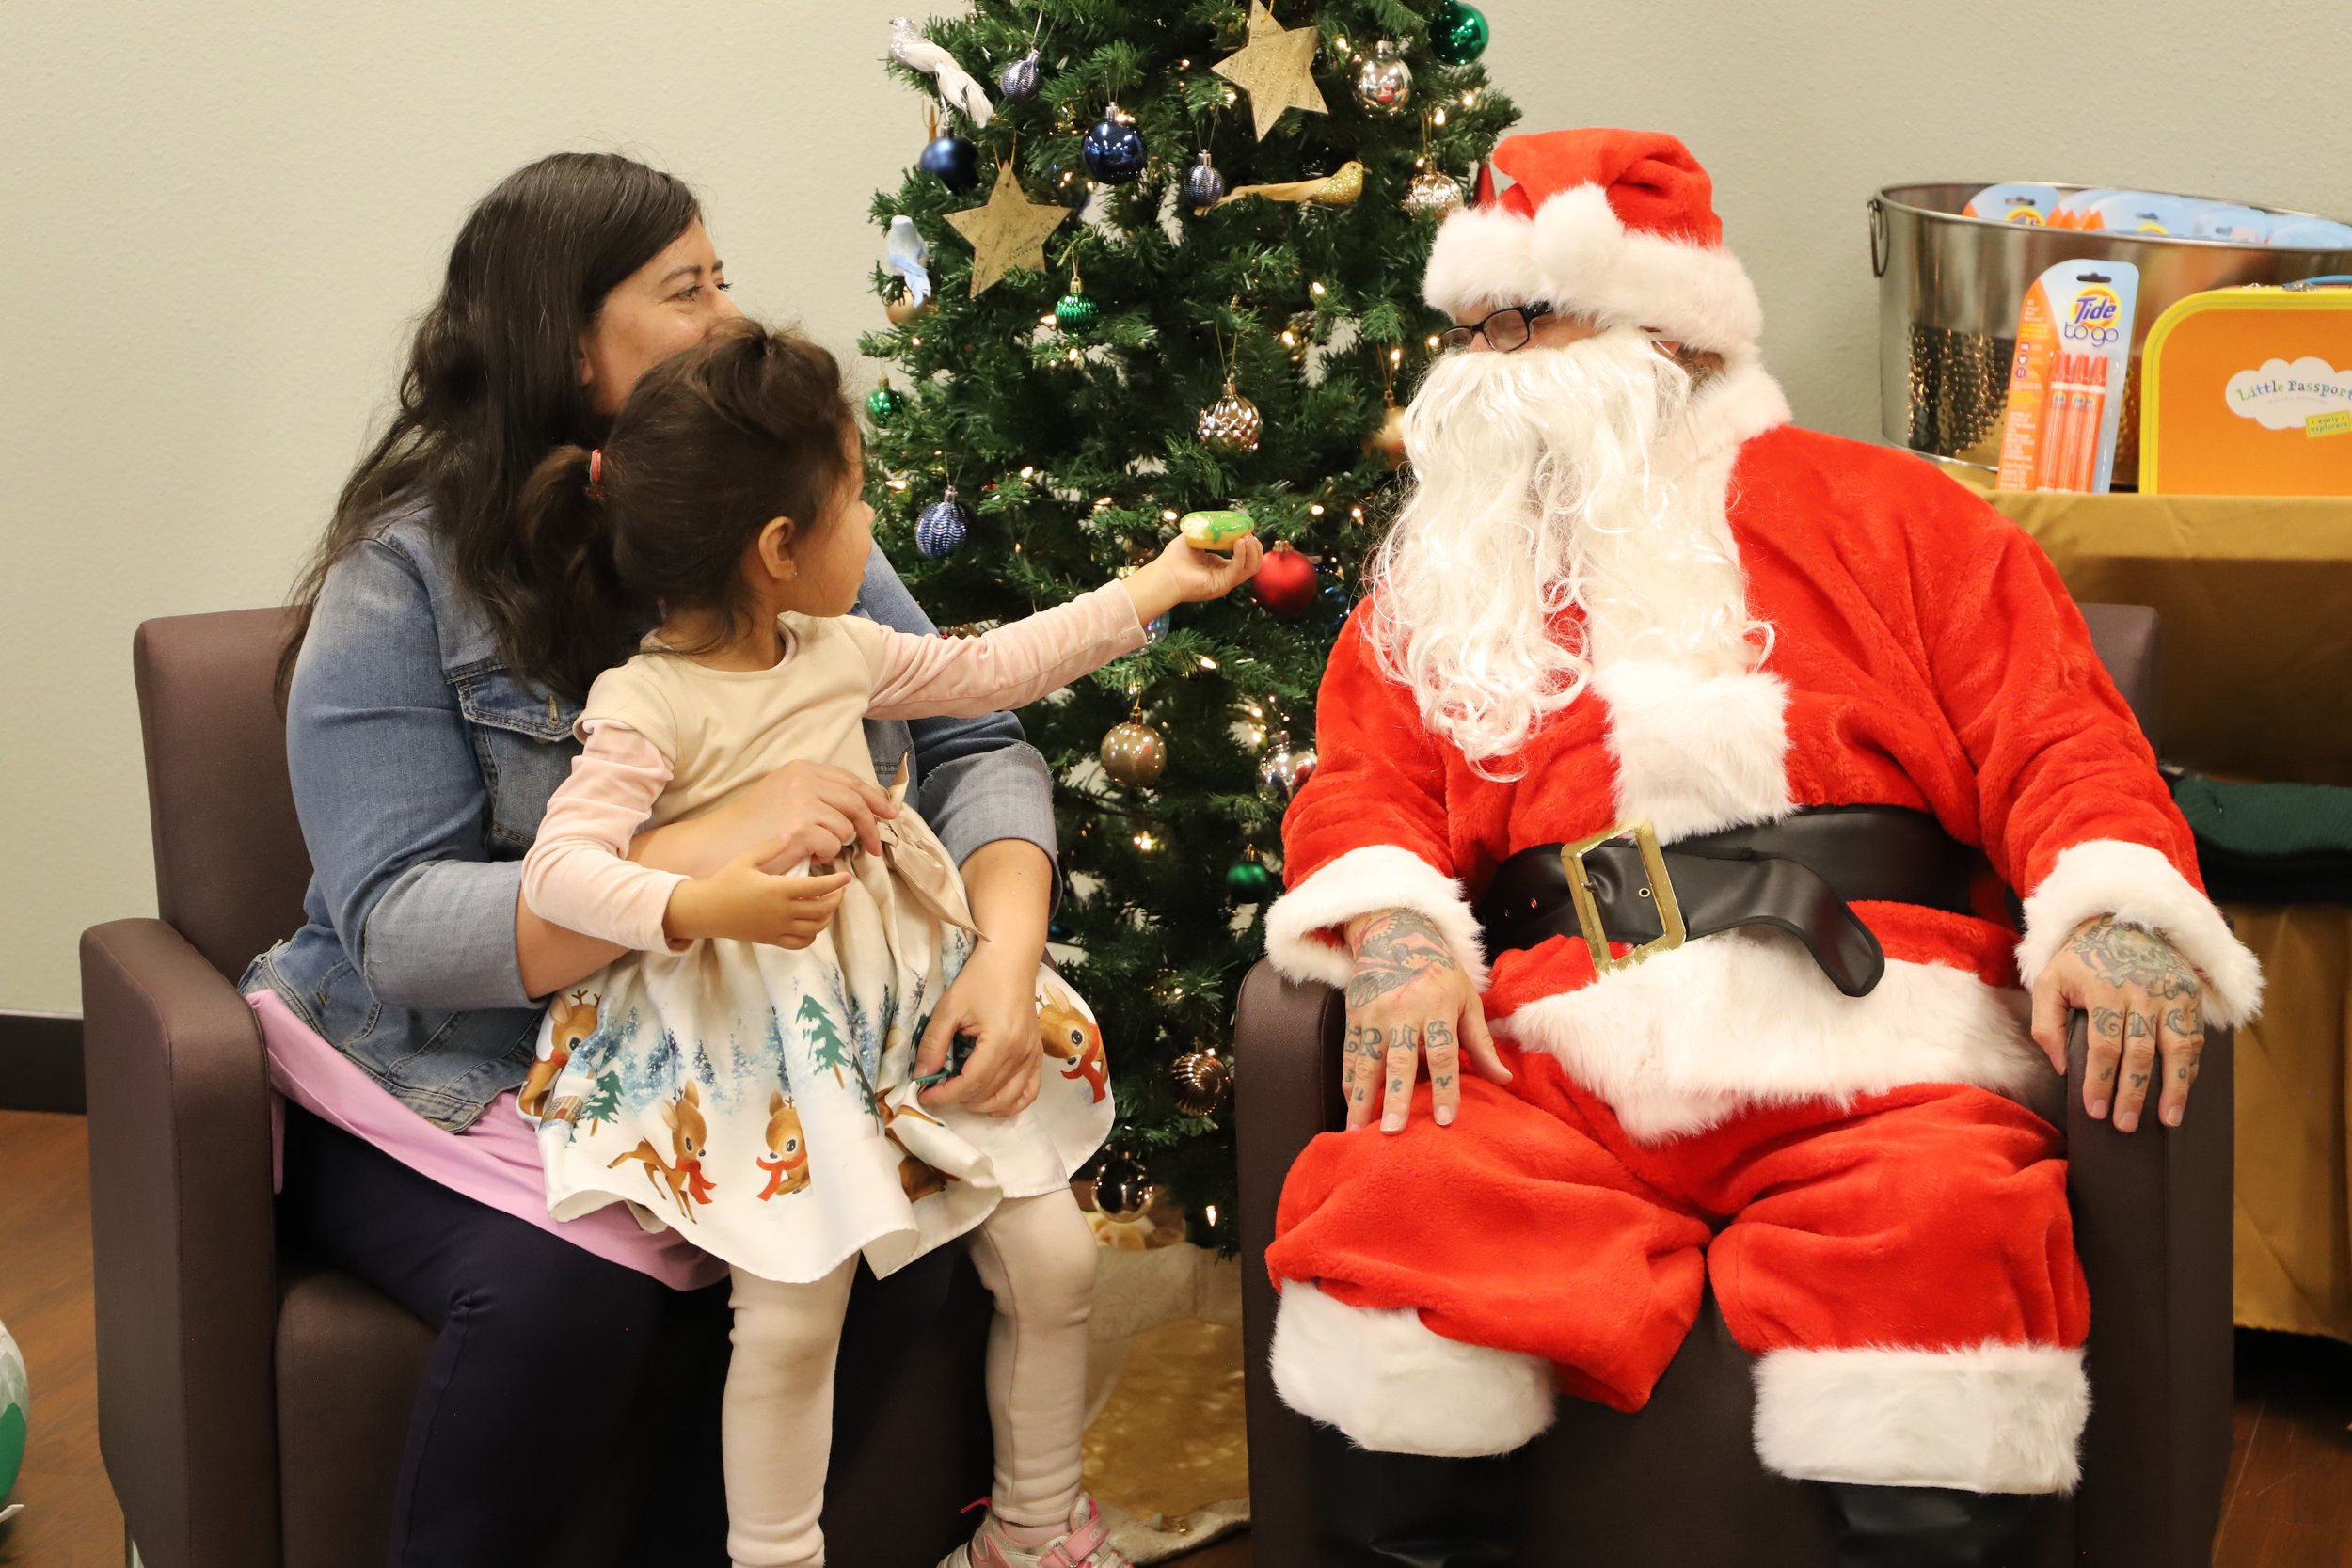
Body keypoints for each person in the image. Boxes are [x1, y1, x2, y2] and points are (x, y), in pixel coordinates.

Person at [1256, 129, 2264, 1567]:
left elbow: (2062, 740)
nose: (1481, 362)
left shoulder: (1904, 516)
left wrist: (2109, 907)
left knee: (1945, 1226)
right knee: (1399, 1213)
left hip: (1879, 1034)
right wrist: (1402, 933)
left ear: (1668, 325)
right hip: (1556, 1054)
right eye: (1469, 328)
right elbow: (1361, 791)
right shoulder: (1444, 584)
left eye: (1529, 321)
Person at [248, 151, 1073, 1566]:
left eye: (722, 279)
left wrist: (1003, 962)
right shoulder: (401, 582)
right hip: (456, 1062)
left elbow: (980, 737)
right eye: (685, 290)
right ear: (564, 348)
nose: (728, 319)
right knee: (568, 1294)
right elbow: (397, 922)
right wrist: (699, 857)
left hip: (731, 1047)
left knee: (899, 1232)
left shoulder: (772, 514)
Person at [510, 319, 1262, 1568]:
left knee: (1057, 1257)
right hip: (755, 1040)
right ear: (778, 549)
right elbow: (560, 871)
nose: (876, 524)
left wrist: (1153, 589)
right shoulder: (643, 702)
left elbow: (988, 672)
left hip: (896, 1000)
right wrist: (702, 905)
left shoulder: (841, 647)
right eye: (859, 499)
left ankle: (1032, 1532)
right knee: (794, 1314)